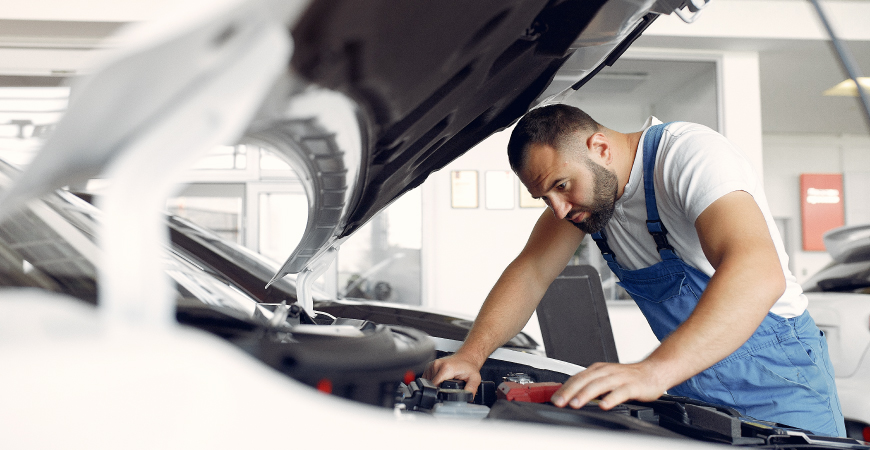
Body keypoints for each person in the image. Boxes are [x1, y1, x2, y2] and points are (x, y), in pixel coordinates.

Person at [424, 104, 846, 437]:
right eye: (544, 198)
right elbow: (530, 272)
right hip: (694, 390)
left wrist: (654, 370)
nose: (558, 209)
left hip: (783, 384)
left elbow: (757, 272)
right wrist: (471, 355)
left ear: (600, 148)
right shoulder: (587, 206)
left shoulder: (687, 155)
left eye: (561, 186)